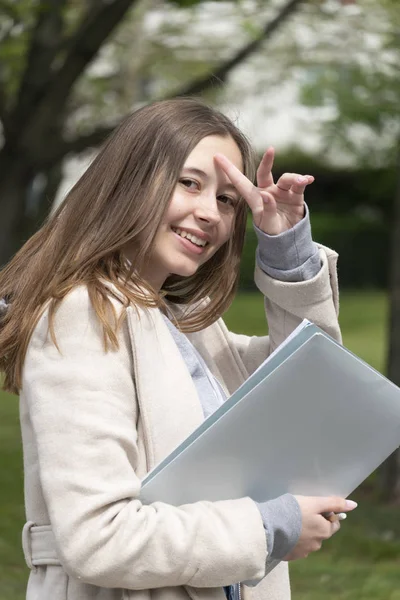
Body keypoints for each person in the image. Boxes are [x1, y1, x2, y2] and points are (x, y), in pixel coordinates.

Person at [0, 97, 357, 600]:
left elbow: (312, 380)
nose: (210, 213)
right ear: (131, 182)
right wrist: (271, 525)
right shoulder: (85, 314)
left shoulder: (185, 325)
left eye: (228, 199)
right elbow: (100, 538)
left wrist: (285, 248)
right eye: (189, 183)